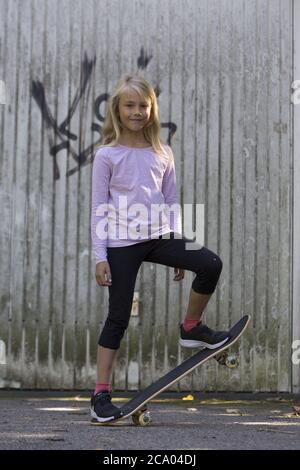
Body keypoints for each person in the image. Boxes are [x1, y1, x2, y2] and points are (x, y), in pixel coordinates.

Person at [90, 74, 228, 423]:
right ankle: (100, 395)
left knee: (210, 264)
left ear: (152, 109)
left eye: (143, 105)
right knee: (118, 317)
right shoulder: (107, 155)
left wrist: (178, 240)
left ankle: (192, 328)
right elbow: (98, 207)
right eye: (130, 105)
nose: (137, 112)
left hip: (159, 236)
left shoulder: (162, 152)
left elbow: (170, 200)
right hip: (121, 243)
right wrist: (99, 256)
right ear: (118, 111)